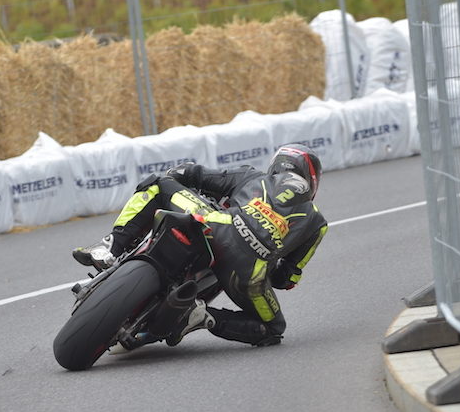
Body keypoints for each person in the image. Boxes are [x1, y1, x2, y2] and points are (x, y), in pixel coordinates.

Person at [72, 144, 328, 347]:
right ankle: (203, 317)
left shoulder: (254, 177)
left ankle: (112, 248)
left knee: (158, 184)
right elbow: (287, 279)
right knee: (273, 328)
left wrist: (179, 178)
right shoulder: (317, 223)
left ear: (276, 166)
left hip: (214, 225)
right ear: (312, 181)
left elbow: (191, 173)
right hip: (249, 273)